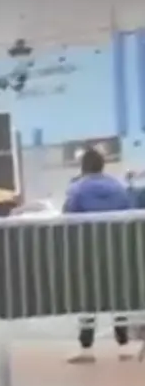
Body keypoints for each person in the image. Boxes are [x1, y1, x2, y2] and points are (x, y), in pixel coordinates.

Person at [63, 147, 133, 363]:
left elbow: (67, 216)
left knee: (87, 298)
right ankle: (124, 345)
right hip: (116, 248)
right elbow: (129, 213)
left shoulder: (77, 189)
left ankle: (86, 349)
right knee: (119, 296)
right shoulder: (118, 188)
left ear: (83, 167)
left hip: (87, 250)